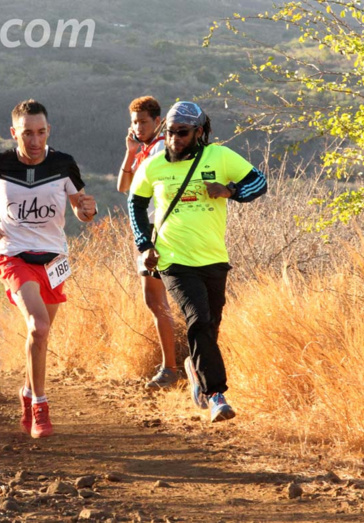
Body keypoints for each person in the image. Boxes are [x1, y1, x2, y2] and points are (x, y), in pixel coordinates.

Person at [127, 101, 267, 422]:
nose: (174, 138)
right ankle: (216, 395)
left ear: (199, 132)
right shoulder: (154, 165)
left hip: (214, 258)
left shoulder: (218, 157)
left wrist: (230, 190)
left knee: (210, 326)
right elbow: (135, 202)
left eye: (183, 133)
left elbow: (259, 182)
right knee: (198, 318)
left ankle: (194, 369)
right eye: (170, 132)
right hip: (173, 259)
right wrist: (145, 244)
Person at [0, 99, 97, 438]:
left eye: (41, 132)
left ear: (48, 131)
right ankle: (41, 406)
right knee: (38, 325)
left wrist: (88, 210)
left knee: (41, 336)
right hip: (13, 254)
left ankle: (27, 392)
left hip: (54, 258)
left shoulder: (64, 164)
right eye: (27, 133)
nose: (35, 140)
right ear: (14, 133)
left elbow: (79, 207)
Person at [116, 96, 179, 390]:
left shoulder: (161, 150)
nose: (138, 127)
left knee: (156, 301)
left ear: (158, 122)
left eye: (143, 121)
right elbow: (123, 187)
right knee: (157, 302)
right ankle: (174, 364)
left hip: (158, 233)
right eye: (134, 122)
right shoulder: (144, 151)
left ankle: (171, 368)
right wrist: (130, 153)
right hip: (148, 232)